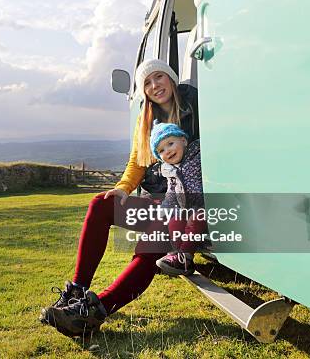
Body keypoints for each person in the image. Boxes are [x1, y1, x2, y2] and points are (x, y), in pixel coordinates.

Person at [39, 59, 200, 337]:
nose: (154, 86)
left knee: (151, 242)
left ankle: (93, 312)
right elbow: (137, 162)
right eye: (147, 83)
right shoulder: (146, 117)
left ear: (171, 79)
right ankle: (76, 291)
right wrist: (123, 189)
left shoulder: (195, 105)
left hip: (186, 203)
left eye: (158, 77)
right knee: (101, 204)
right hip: (159, 199)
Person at [148, 122, 206, 276]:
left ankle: (185, 256)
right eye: (161, 150)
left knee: (196, 219)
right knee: (174, 221)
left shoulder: (197, 155)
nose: (167, 151)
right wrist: (165, 209)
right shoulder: (169, 170)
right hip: (184, 207)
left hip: (203, 205)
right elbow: (171, 192)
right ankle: (177, 254)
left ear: (184, 141)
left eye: (170, 143)